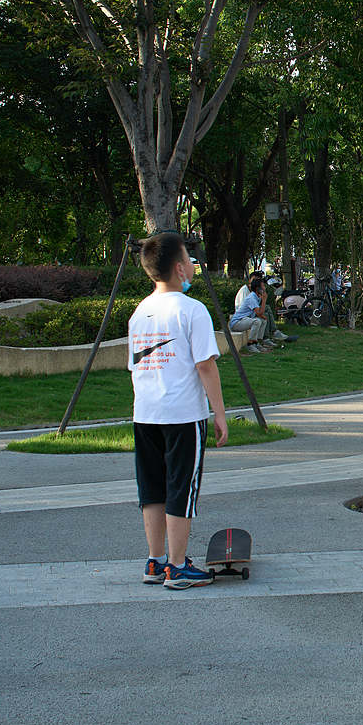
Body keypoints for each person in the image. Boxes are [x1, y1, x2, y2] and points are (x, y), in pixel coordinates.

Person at [128, 232, 228, 589]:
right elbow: (206, 366)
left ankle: (155, 562)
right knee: (180, 488)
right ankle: (178, 566)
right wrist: (219, 412)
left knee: (152, 488)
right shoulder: (192, 310)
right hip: (183, 415)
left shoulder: (139, 312)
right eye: (188, 258)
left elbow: (135, 367)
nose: (192, 265)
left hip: (146, 414)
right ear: (178, 266)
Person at [229, 276, 274, 352]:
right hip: (237, 322)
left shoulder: (256, 297)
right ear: (257, 288)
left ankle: (257, 342)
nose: (264, 288)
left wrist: (263, 316)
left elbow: (260, 314)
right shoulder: (251, 298)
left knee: (263, 320)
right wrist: (264, 300)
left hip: (245, 320)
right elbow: (259, 312)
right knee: (257, 321)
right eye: (263, 286)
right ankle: (250, 344)